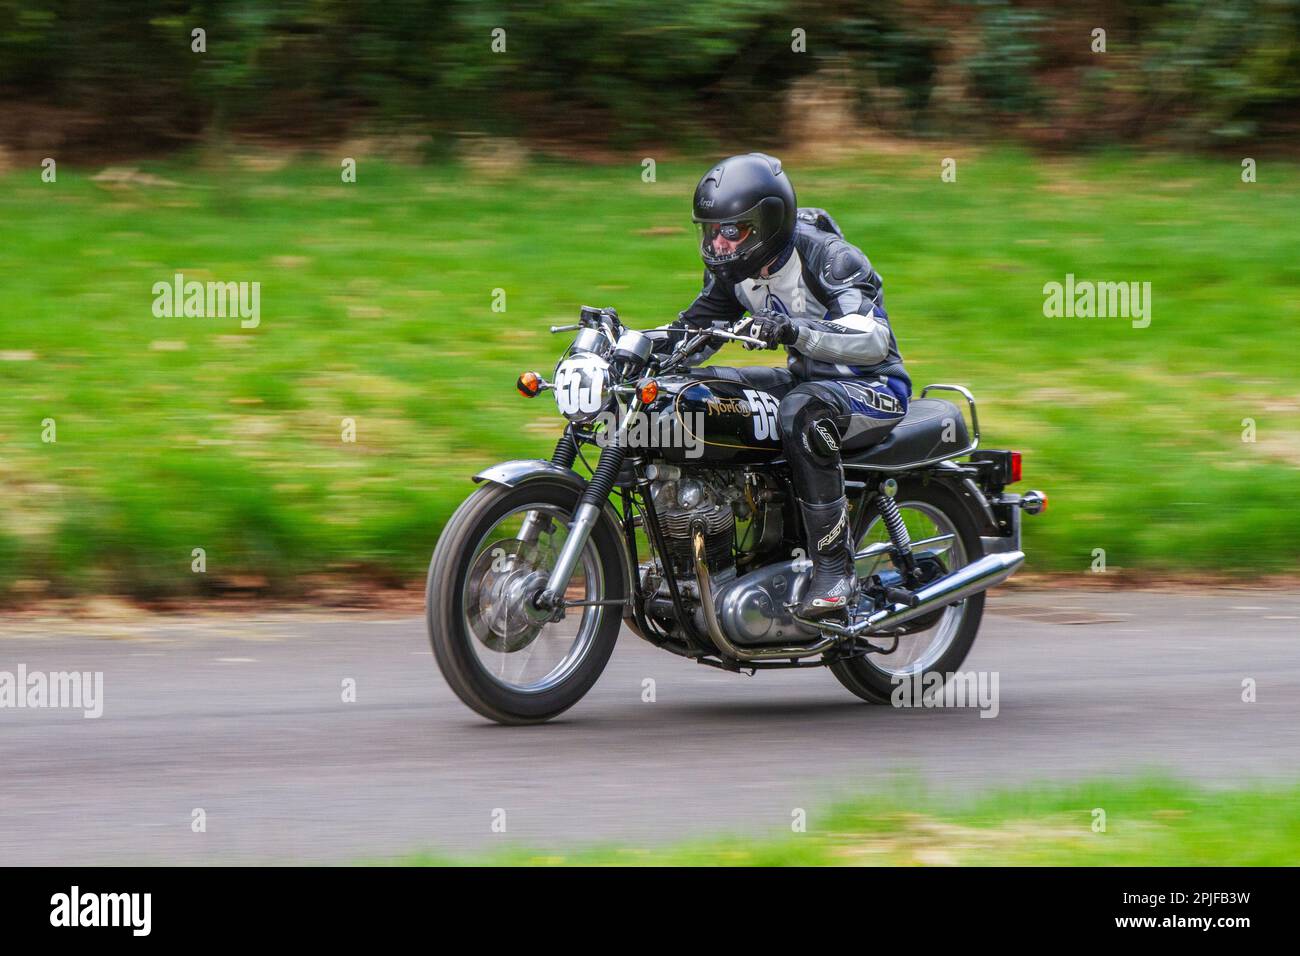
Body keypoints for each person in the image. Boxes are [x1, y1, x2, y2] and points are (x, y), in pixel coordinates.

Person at [653, 152, 912, 619]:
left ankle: (836, 572)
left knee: (802, 413)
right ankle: (708, 553)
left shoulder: (831, 258)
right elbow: (691, 336)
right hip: (806, 379)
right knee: (694, 395)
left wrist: (794, 331)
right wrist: (628, 349)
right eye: (712, 231)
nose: (719, 244)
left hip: (873, 388)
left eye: (732, 231)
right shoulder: (735, 274)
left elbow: (874, 340)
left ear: (769, 220)